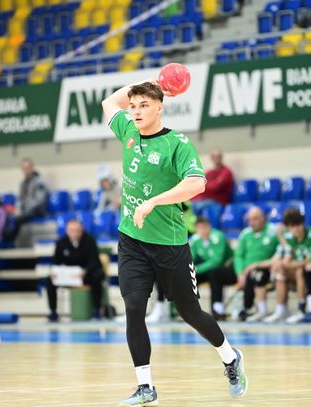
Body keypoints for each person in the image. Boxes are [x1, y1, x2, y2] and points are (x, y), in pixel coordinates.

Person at [102, 79, 247, 405]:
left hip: (169, 244)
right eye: (133, 106)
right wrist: (150, 83)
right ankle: (145, 387)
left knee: (189, 311)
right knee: (134, 307)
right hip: (131, 240)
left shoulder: (176, 144)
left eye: (144, 105)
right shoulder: (128, 130)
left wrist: (154, 201)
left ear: (160, 107)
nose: (136, 111)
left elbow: (197, 183)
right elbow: (108, 103)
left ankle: (230, 357)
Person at [46, 219, 105, 321]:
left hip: (86, 275)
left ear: (82, 230)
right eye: (72, 230)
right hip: (69, 276)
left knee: (97, 276)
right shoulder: (61, 242)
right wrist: (53, 271)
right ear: (67, 231)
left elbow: (94, 262)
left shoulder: (90, 241)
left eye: (77, 230)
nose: (75, 233)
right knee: (49, 280)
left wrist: (85, 271)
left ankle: (96, 310)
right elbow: (55, 261)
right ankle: (53, 312)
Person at [265, 208, 311, 324]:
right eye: (292, 226)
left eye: (298, 225)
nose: (296, 229)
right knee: (281, 271)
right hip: (296, 271)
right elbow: (285, 262)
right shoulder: (288, 238)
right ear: (288, 227)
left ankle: (301, 309)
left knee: (299, 271)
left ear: (303, 223)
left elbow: (309, 260)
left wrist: (296, 264)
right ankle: (281, 310)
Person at [234, 207, 279, 322]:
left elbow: (280, 251)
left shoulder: (273, 231)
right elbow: (239, 256)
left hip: (267, 267)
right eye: (249, 219)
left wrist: (264, 264)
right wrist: (240, 272)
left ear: (263, 218)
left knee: (256, 274)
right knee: (217, 273)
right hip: (247, 268)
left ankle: (259, 310)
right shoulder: (245, 234)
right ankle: (219, 309)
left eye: (255, 219)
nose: (251, 222)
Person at [190, 217, 236, 320]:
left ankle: (217, 310)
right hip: (209, 269)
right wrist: (190, 269)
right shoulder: (195, 240)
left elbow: (217, 261)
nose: (202, 230)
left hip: (227, 268)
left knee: (214, 274)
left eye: (204, 227)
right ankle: (189, 309)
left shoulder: (218, 237)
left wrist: (197, 269)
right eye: (199, 228)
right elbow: (190, 258)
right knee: (188, 276)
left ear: (209, 227)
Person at [3, 158, 48, 242]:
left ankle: (10, 240)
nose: (26, 170)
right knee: (6, 215)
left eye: (27, 167)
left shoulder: (40, 181)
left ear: (32, 167)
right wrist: (17, 208)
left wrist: (23, 209)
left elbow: (39, 200)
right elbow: (20, 199)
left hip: (37, 210)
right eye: (24, 168)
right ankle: (2, 237)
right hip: (25, 210)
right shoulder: (23, 183)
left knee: (18, 219)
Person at [191, 147, 234, 212]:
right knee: (186, 204)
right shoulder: (209, 172)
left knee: (195, 206)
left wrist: (204, 185)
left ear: (221, 157)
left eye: (218, 156)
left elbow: (216, 187)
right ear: (211, 158)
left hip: (218, 201)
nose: (216, 158)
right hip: (205, 199)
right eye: (214, 156)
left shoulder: (226, 172)